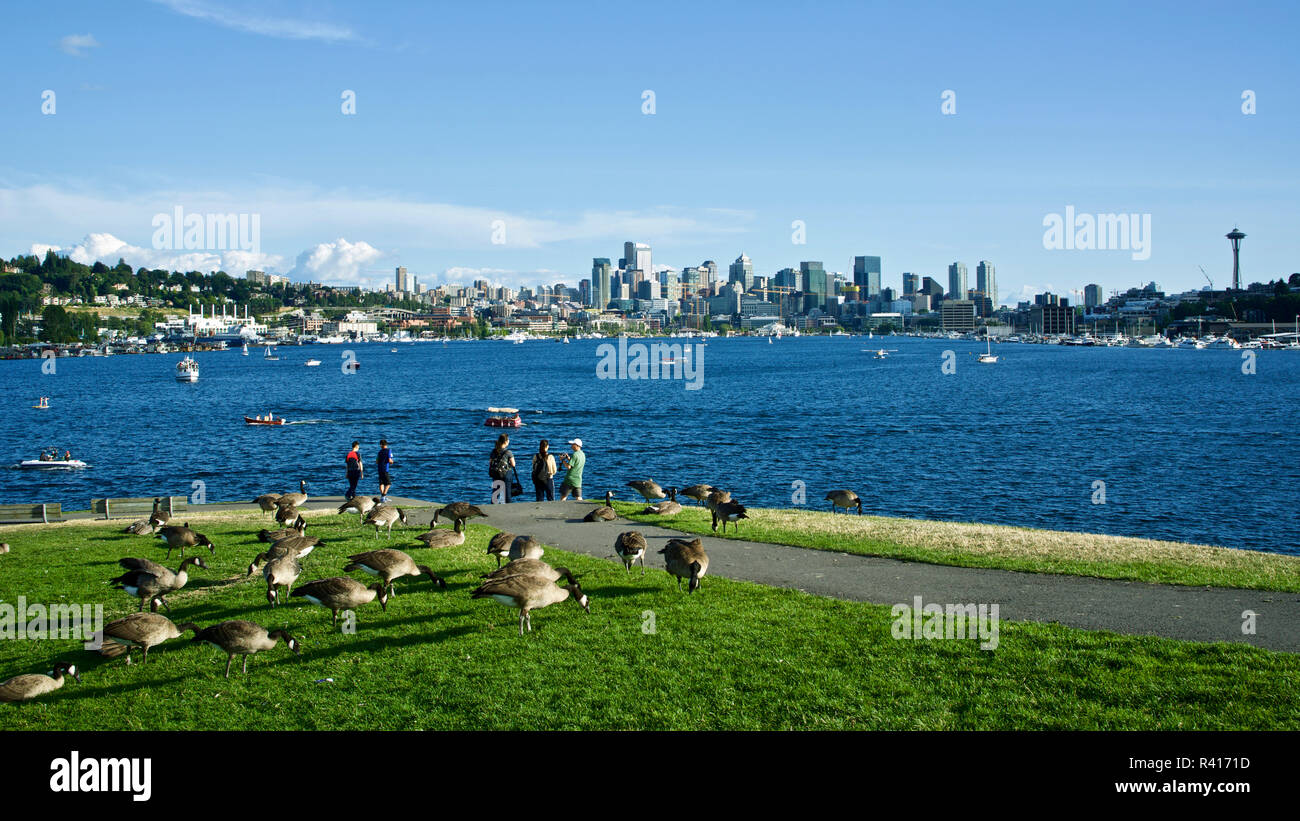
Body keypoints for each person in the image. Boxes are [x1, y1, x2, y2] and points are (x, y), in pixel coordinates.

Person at [488, 433, 516, 503]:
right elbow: (513, 464)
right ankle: (508, 509)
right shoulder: (508, 452)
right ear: (506, 441)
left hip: (496, 474)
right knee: (507, 494)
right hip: (506, 474)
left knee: (495, 494)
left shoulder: (494, 451)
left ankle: (493, 508)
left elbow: (490, 462)